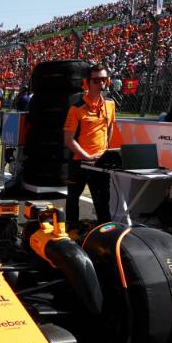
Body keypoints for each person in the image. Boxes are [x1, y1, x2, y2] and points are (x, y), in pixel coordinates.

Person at [63, 64, 116, 224]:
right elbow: (68, 139)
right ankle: (71, 231)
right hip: (79, 162)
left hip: (100, 162)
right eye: (96, 80)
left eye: (104, 79)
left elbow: (110, 127)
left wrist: (105, 150)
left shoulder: (110, 104)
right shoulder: (76, 108)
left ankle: (105, 232)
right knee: (73, 199)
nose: (101, 83)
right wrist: (87, 156)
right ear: (87, 82)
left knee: (102, 201)